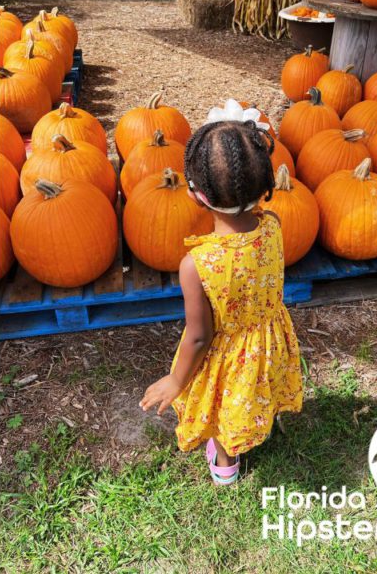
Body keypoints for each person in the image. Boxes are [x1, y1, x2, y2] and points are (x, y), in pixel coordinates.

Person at [139, 107, 303, 486]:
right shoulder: (273, 225)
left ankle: (226, 465)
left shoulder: (197, 265)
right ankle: (259, 420)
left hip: (228, 353)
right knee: (257, 389)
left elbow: (199, 336)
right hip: (268, 338)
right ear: (266, 183)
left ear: (197, 195)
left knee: (223, 406)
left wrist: (175, 381)